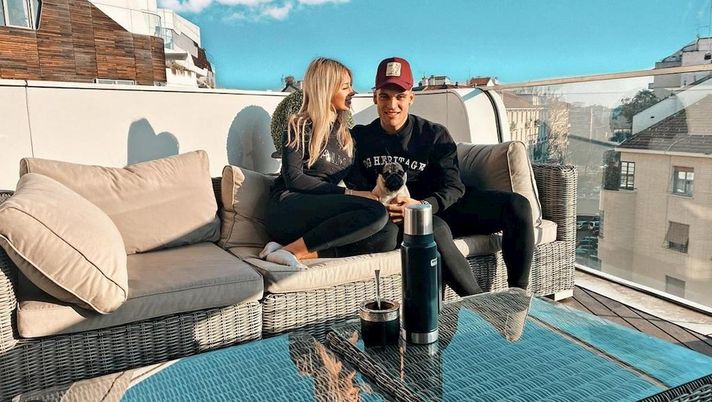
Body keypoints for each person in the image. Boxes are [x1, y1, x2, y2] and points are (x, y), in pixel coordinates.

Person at [346, 57, 534, 295]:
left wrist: (422, 206)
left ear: (411, 98)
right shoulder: (361, 138)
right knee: (432, 228)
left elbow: (454, 187)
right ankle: (481, 304)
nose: (392, 104)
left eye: (400, 96)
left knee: (518, 205)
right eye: (385, 96)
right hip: (400, 218)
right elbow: (356, 188)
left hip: (441, 206)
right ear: (375, 97)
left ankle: (518, 296)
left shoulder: (433, 134)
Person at [261, 57, 397, 268]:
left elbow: (357, 182)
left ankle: (293, 252)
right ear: (326, 89)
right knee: (375, 212)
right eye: (345, 87)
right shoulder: (299, 125)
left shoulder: (346, 136)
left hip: (323, 212)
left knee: (388, 232)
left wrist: (391, 194)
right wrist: (350, 194)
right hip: (289, 208)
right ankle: (289, 251)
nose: (353, 92)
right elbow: (294, 179)